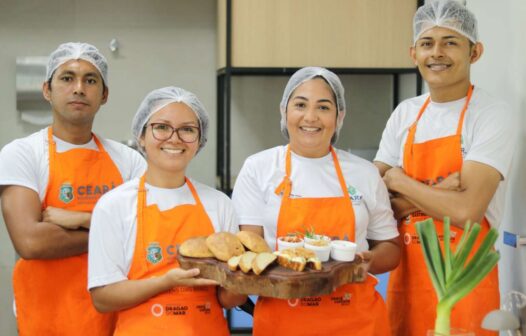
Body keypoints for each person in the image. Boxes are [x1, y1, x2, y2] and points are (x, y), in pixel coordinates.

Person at [373, 1, 516, 335]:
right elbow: (373, 202)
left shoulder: (491, 115)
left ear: (475, 52)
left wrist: (399, 181)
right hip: (406, 280)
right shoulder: (405, 114)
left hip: (467, 284)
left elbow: (467, 211)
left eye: (450, 42)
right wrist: (440, 192)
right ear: (413, 54)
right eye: (427, 43)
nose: (436, 53)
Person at [232, 67, 401, 336]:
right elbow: (252, 252)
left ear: (339, 116)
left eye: (323, 107)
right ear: (284, 111)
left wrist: (368, 262)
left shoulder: (364, 173)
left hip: (357, 320)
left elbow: (391, 247)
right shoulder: (258, 168)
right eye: (300, 105)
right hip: (284, 320)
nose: (310, 117)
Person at [0, 42, 146, 335]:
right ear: (47, 90)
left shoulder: (129, 160)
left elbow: (147, 233)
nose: (79, 88)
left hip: (116, 319)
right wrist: (114, 231)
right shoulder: (22, 154)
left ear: (104, 95)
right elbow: (31, 242)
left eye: (90, 80)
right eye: (67, 78)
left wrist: (78, 218)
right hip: (47, 317)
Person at [88, 86, 246, 335]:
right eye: (161, 127)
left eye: (187, 130)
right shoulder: (114, 205)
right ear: (141, 135)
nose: (174, 138)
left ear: (199, 141)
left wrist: (244, 280)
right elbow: (103, 298)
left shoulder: (219, 203)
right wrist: (165, 282)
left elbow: (227, 299)